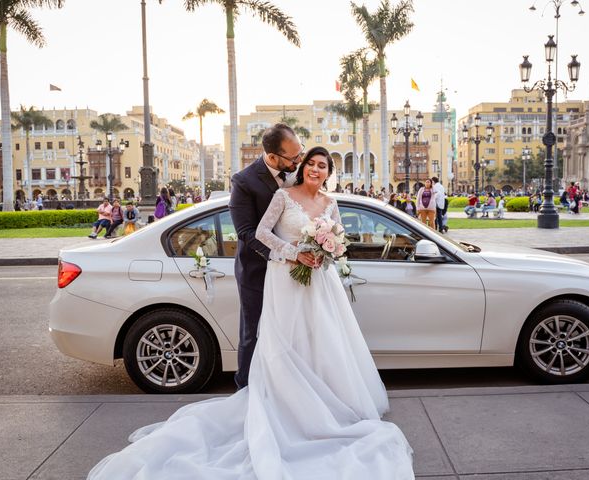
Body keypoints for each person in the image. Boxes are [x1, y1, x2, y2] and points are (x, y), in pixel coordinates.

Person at [86, 146, 414, 480]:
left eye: (322, 166)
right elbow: (261, 233)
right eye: (311, 164)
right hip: (286, 279)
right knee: (288, 342)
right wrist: (293, 254)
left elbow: (340, 240)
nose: (316, 170)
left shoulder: (332, 203)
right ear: (302, 168)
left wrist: (325, 252)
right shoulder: (284, 196)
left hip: (321, 282)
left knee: (324, 341)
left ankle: (322, 404)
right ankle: (289, 409)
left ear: (330, 172)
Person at [229, 123, 306, 390]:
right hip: (256, 271)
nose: (299, 161)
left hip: (295, 271)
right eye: (294, 157)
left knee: (292, 331)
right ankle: (246, 391)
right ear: (273, 158)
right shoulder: (244, 181)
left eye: (301, 153)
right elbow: (246, 233)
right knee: (253, 332)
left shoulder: (298, 173)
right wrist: (284, 255)